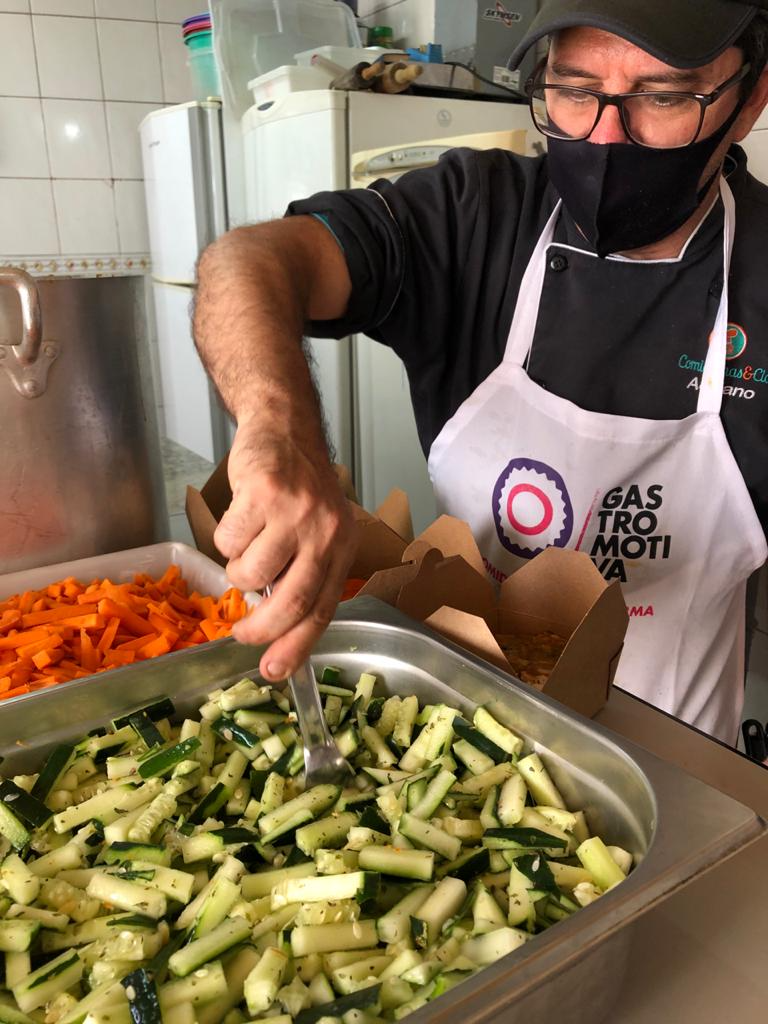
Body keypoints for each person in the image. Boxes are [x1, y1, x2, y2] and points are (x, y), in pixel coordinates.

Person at [194, 0, 768, 745]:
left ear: (750, 98)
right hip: (460, 733)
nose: (603, 135)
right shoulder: (474, 213)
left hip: (680, 759)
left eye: (662, 98)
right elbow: (248, 262)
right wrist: (280, 429)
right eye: (573, 89)